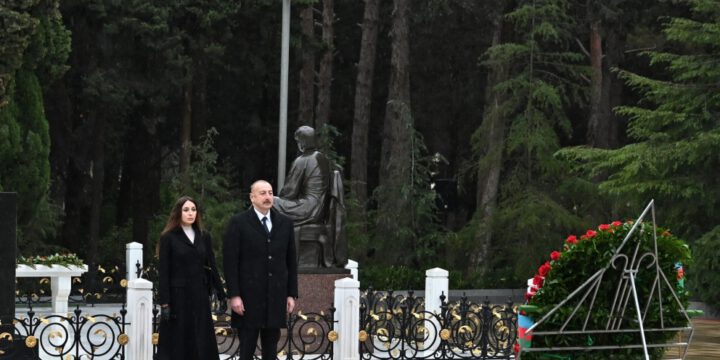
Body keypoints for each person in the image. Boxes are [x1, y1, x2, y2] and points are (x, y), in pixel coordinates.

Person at [223, 180, 299, 360]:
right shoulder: (238, 222)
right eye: (263, 193)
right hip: (248, 298)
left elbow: (290, 261)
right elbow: (230, 262)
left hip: (274, 296)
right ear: (252, 197)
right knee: (247, 349)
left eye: (270, 193)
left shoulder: (285, 223)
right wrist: (234, 295)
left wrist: (291, 294)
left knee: (271, 349)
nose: (267, 197)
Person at [156, 195, 226, 360]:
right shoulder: (169, 237)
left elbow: (212, 265)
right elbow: (164, 271)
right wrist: (165, 303)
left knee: (200, 338)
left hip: (200, 295)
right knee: (179, 340)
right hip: (178, 297)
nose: (190, 213)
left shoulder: (204, 236)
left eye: (193, 209)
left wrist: (221, 294)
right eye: (186, 210)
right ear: (178, 213)